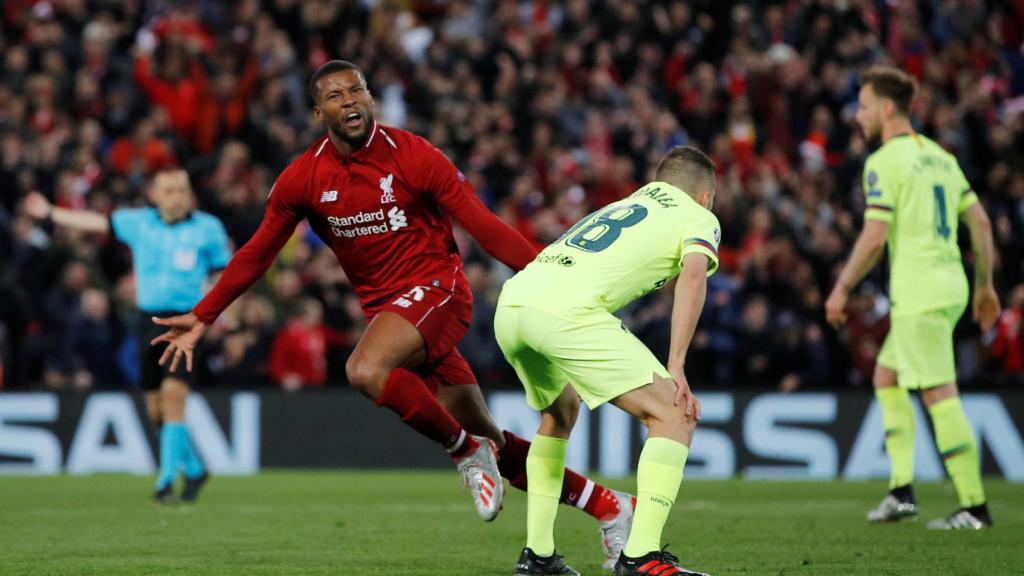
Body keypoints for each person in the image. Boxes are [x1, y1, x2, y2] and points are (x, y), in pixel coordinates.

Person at [151, 60, 635, 566]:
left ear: (370, 96)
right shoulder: (303, 178)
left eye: (356, 90)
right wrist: (205, 314)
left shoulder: (415, 155)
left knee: (364, 369)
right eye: (336, 96)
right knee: (493, 438)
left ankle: (463, 451)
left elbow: (483, 225)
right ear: (319, 112)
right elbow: (257, 252)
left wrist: (551, 274)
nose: (350, 101)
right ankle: (610, 506)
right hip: (395, 318)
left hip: (440, 292)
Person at [496, 145, 719, 576]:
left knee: (559, 412)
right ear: (706, 195)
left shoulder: (629, 202)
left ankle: (538, 555)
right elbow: (693, 278)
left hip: (514, 304)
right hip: (566, 313)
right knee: (674, 413)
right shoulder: (699, 216)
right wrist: (676, 366)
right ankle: (641, 558)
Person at [825, 66, 1001, 530]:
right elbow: (981, 223)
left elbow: (875, 235)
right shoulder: (941, 157)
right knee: (887, 376)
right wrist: (984, 284)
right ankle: (901, 492)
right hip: (950, 285)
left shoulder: (885, 160)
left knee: (939, 392)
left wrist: (842, 286)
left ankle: (974, 506)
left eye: (863, 107)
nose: (858, 116)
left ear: (886, 109)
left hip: (919, 290)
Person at [23, 168, 231, 503]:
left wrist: (218, 313)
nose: (177, 195)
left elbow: (226, 271)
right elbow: (95, 222)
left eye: (182, 189)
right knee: (154, 408)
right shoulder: (139, 223)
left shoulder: (208, 228)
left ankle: (165, 482)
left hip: (186, 322)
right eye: (170, 190)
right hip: (145, 321)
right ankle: (193, 468)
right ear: (154, 195)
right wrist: (50, 212)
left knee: (173, 395)